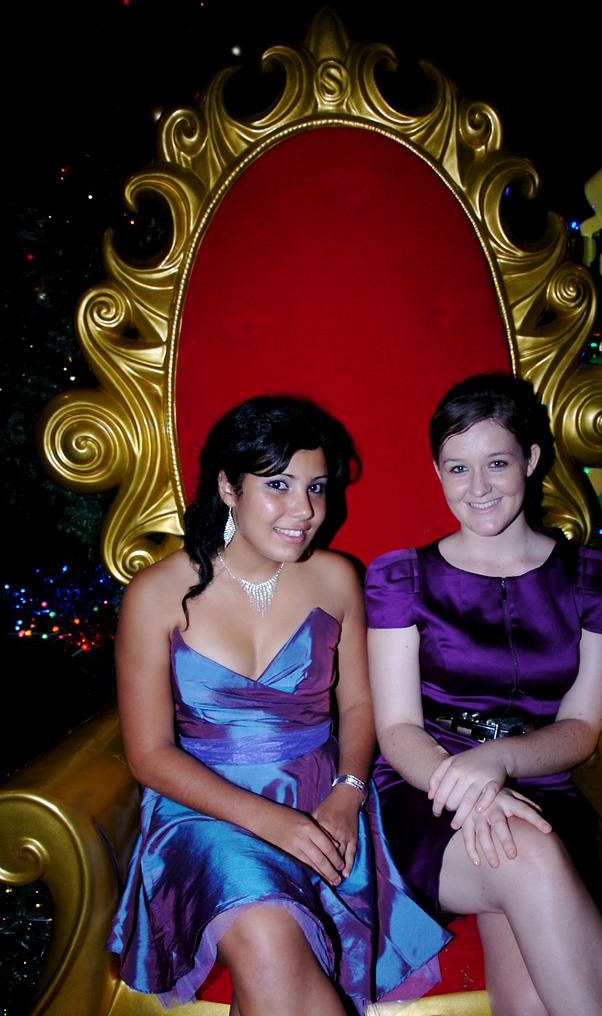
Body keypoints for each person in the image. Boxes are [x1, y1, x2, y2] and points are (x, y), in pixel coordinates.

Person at [107, 395, 451, 1016]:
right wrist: (269, 822)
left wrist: (346, 796)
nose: (306, 510)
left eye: (316, 486)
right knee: (266, 933)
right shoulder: (156, 595)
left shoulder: (337, 578)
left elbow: (359, 704)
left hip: (322, 798)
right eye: (279, 485)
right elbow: (150, 755)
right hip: (204, 810)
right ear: (228, 486)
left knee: (271, 969)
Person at [365, 373, 602, 1016]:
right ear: (437, 471)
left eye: (497, 462)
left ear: (532, 460)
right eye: (458, 468)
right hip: (424, 790)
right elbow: (398, 728)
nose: (478, 487)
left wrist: (502, 763)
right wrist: (467, 788)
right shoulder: (400, 577)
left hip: (544, 787)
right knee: (528, 855)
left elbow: (581, 726)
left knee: (531, 986)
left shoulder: (594, 578)